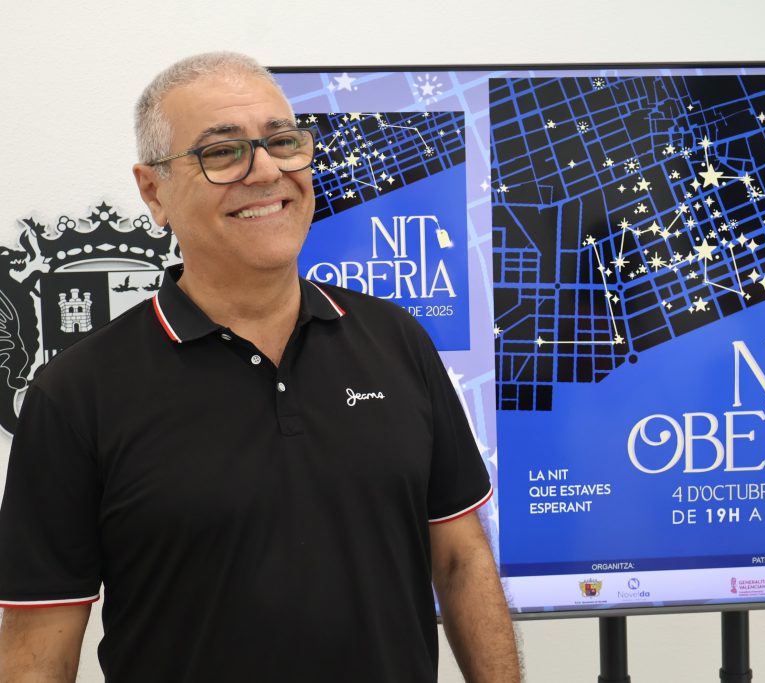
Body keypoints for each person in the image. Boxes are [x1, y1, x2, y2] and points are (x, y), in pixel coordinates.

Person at [0, 52, 521, 682]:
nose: (268, 170)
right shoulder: (77, 394)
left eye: (282, 141)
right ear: (153, 191)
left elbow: (462, 561)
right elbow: (38, 650)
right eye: (222, 152)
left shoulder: (397, 340)